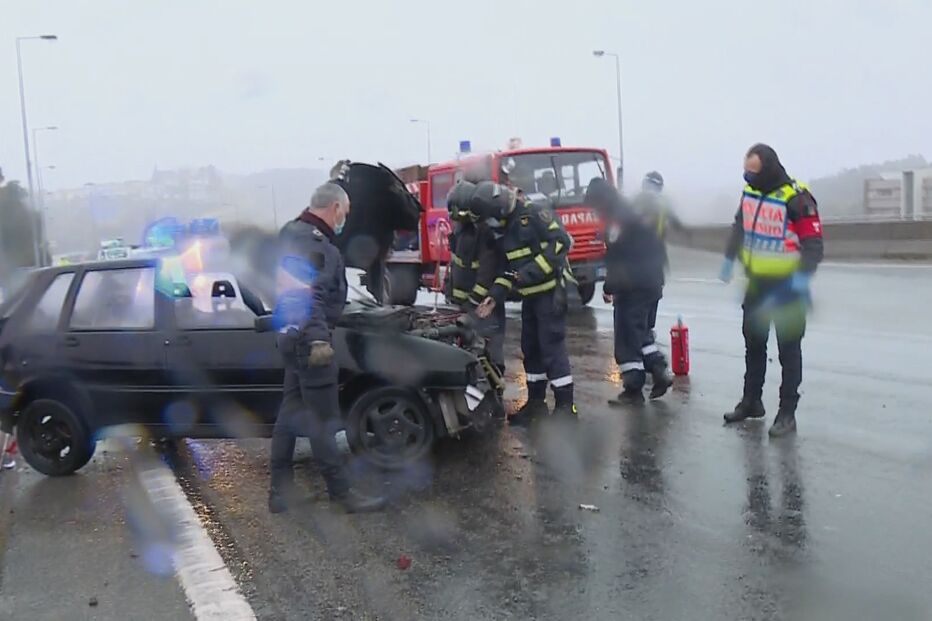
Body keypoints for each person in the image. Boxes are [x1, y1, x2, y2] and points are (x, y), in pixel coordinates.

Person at [269, 182, 386, 513]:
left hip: (292, 336)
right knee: (322, 421)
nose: (343, 221)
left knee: (289, 415)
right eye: (344, 214)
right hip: (310, 341)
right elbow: (309, 296)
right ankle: (341, 494)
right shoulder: (315, 243)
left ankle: (280, 494)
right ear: (335, 208)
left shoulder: (291, 232)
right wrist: (319, 338)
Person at [719, 144, 824, 437]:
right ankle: (752, 401)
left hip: (788, 288)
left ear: (768, 169)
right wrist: (729, 256)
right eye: (745, 172)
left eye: (753, 172)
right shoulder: (750, 193)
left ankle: (787, 413)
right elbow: (739, 226)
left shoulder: (796, 198)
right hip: (756, 285)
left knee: (788, 351)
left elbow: (814, 245)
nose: (747, 178)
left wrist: (802, 278)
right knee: (753, 344)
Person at [473, 181, 577, 425]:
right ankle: (536, 405)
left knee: (551, 348)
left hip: (551, 293)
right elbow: (507, 270)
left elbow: (562, 242)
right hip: (530, 298)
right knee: (531, 349)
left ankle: (566, 409)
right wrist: (494, 297)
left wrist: (528, 272)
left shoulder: (535, 214)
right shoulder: (505, 230)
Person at [585, 178, 672, 404]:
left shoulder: (616, 219)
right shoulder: (630, 210)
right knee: (641, 332)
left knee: (626, 336)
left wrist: (609, 286)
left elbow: (617, 257)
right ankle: (658, 368)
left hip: (633, 285)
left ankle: (633, 388)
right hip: (652, 280)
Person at [446, 181, 507, 374]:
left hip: (483, 307)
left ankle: (494, 393)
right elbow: (456, 264)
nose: (453, 219)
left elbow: (487, 272)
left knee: (490, 350)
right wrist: (449, 292)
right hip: (464, 305)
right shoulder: (461, 232)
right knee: (469, 350)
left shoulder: (485, 233)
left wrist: (474, 301)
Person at [631, 171, 684, 337]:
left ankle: (645, 327)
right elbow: (676, 223)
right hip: (650, 253)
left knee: (648, 291)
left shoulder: (639, 201)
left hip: (647, 253)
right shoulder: (651, 203)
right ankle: (646, 327)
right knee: (650, 290)